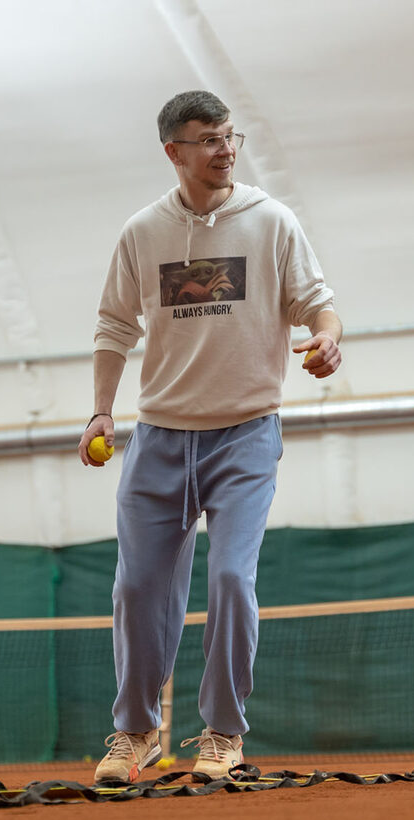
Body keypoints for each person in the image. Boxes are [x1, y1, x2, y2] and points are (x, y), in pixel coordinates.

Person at [83, 90, 342, 783]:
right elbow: (114, 327)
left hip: (246, 435)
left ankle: (223, 734)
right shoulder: (143, 233)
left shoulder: (272, 221)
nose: (225, 150)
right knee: (137, 588)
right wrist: (102, 412)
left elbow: (318, 305)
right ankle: (134, 733)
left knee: (231, 577)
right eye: (208, 139)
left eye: (231, 137)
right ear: (174, 151)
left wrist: (325, 338)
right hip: (159, 439)